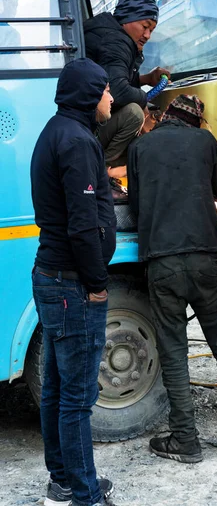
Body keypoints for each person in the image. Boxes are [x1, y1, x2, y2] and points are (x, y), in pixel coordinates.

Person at [128, 94, 217, 463]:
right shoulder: (205, 141)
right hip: (205, 260)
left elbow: (135, 206)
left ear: (165, 115)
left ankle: (186, 440)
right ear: (195, 121)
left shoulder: (140, 146)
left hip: (162, 262)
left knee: (174, 353)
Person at [31, 58, 117, 506]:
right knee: (78, 399)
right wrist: (97, 282)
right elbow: (84, 226)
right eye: (105, 90)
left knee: (57, 389)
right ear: (88, 94)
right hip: (72, 286)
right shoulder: (77, 141)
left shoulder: (55, 131)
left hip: (52, 277)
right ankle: (86, 496)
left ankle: (63, 480)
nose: (112, 98)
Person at [84, 0, 170, 180]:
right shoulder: (115, 41)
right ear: (128, 17)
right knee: (134, 114)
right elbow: (118, 91)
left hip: (85, 125)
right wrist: (145, 104)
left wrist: (145, 79)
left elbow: (112, 76)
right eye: (144, 26)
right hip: (87, 128)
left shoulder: (109, 33)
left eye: (151, 30)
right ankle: (98, 175)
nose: (147, 35)